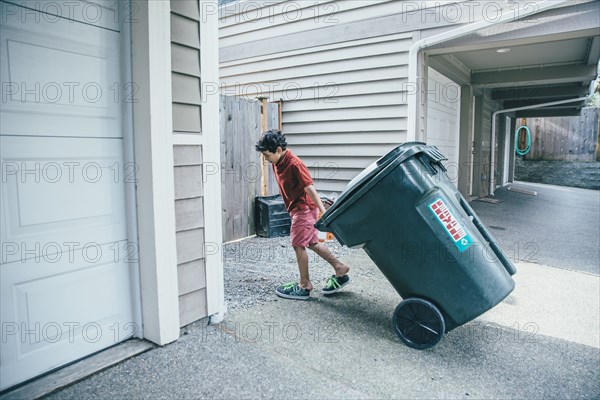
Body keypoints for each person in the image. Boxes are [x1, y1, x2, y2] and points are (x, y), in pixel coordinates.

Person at [255, 129, 351, 300]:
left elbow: (310, 188)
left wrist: (323, 212)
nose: (266, 159)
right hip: (296, 208)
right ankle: (340, 267)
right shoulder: (277, 162)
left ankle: (304, 285)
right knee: (312, 242)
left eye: (267, 155)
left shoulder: (294, 164)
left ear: (278, 150)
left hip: (304, 209)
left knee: (298, 244)